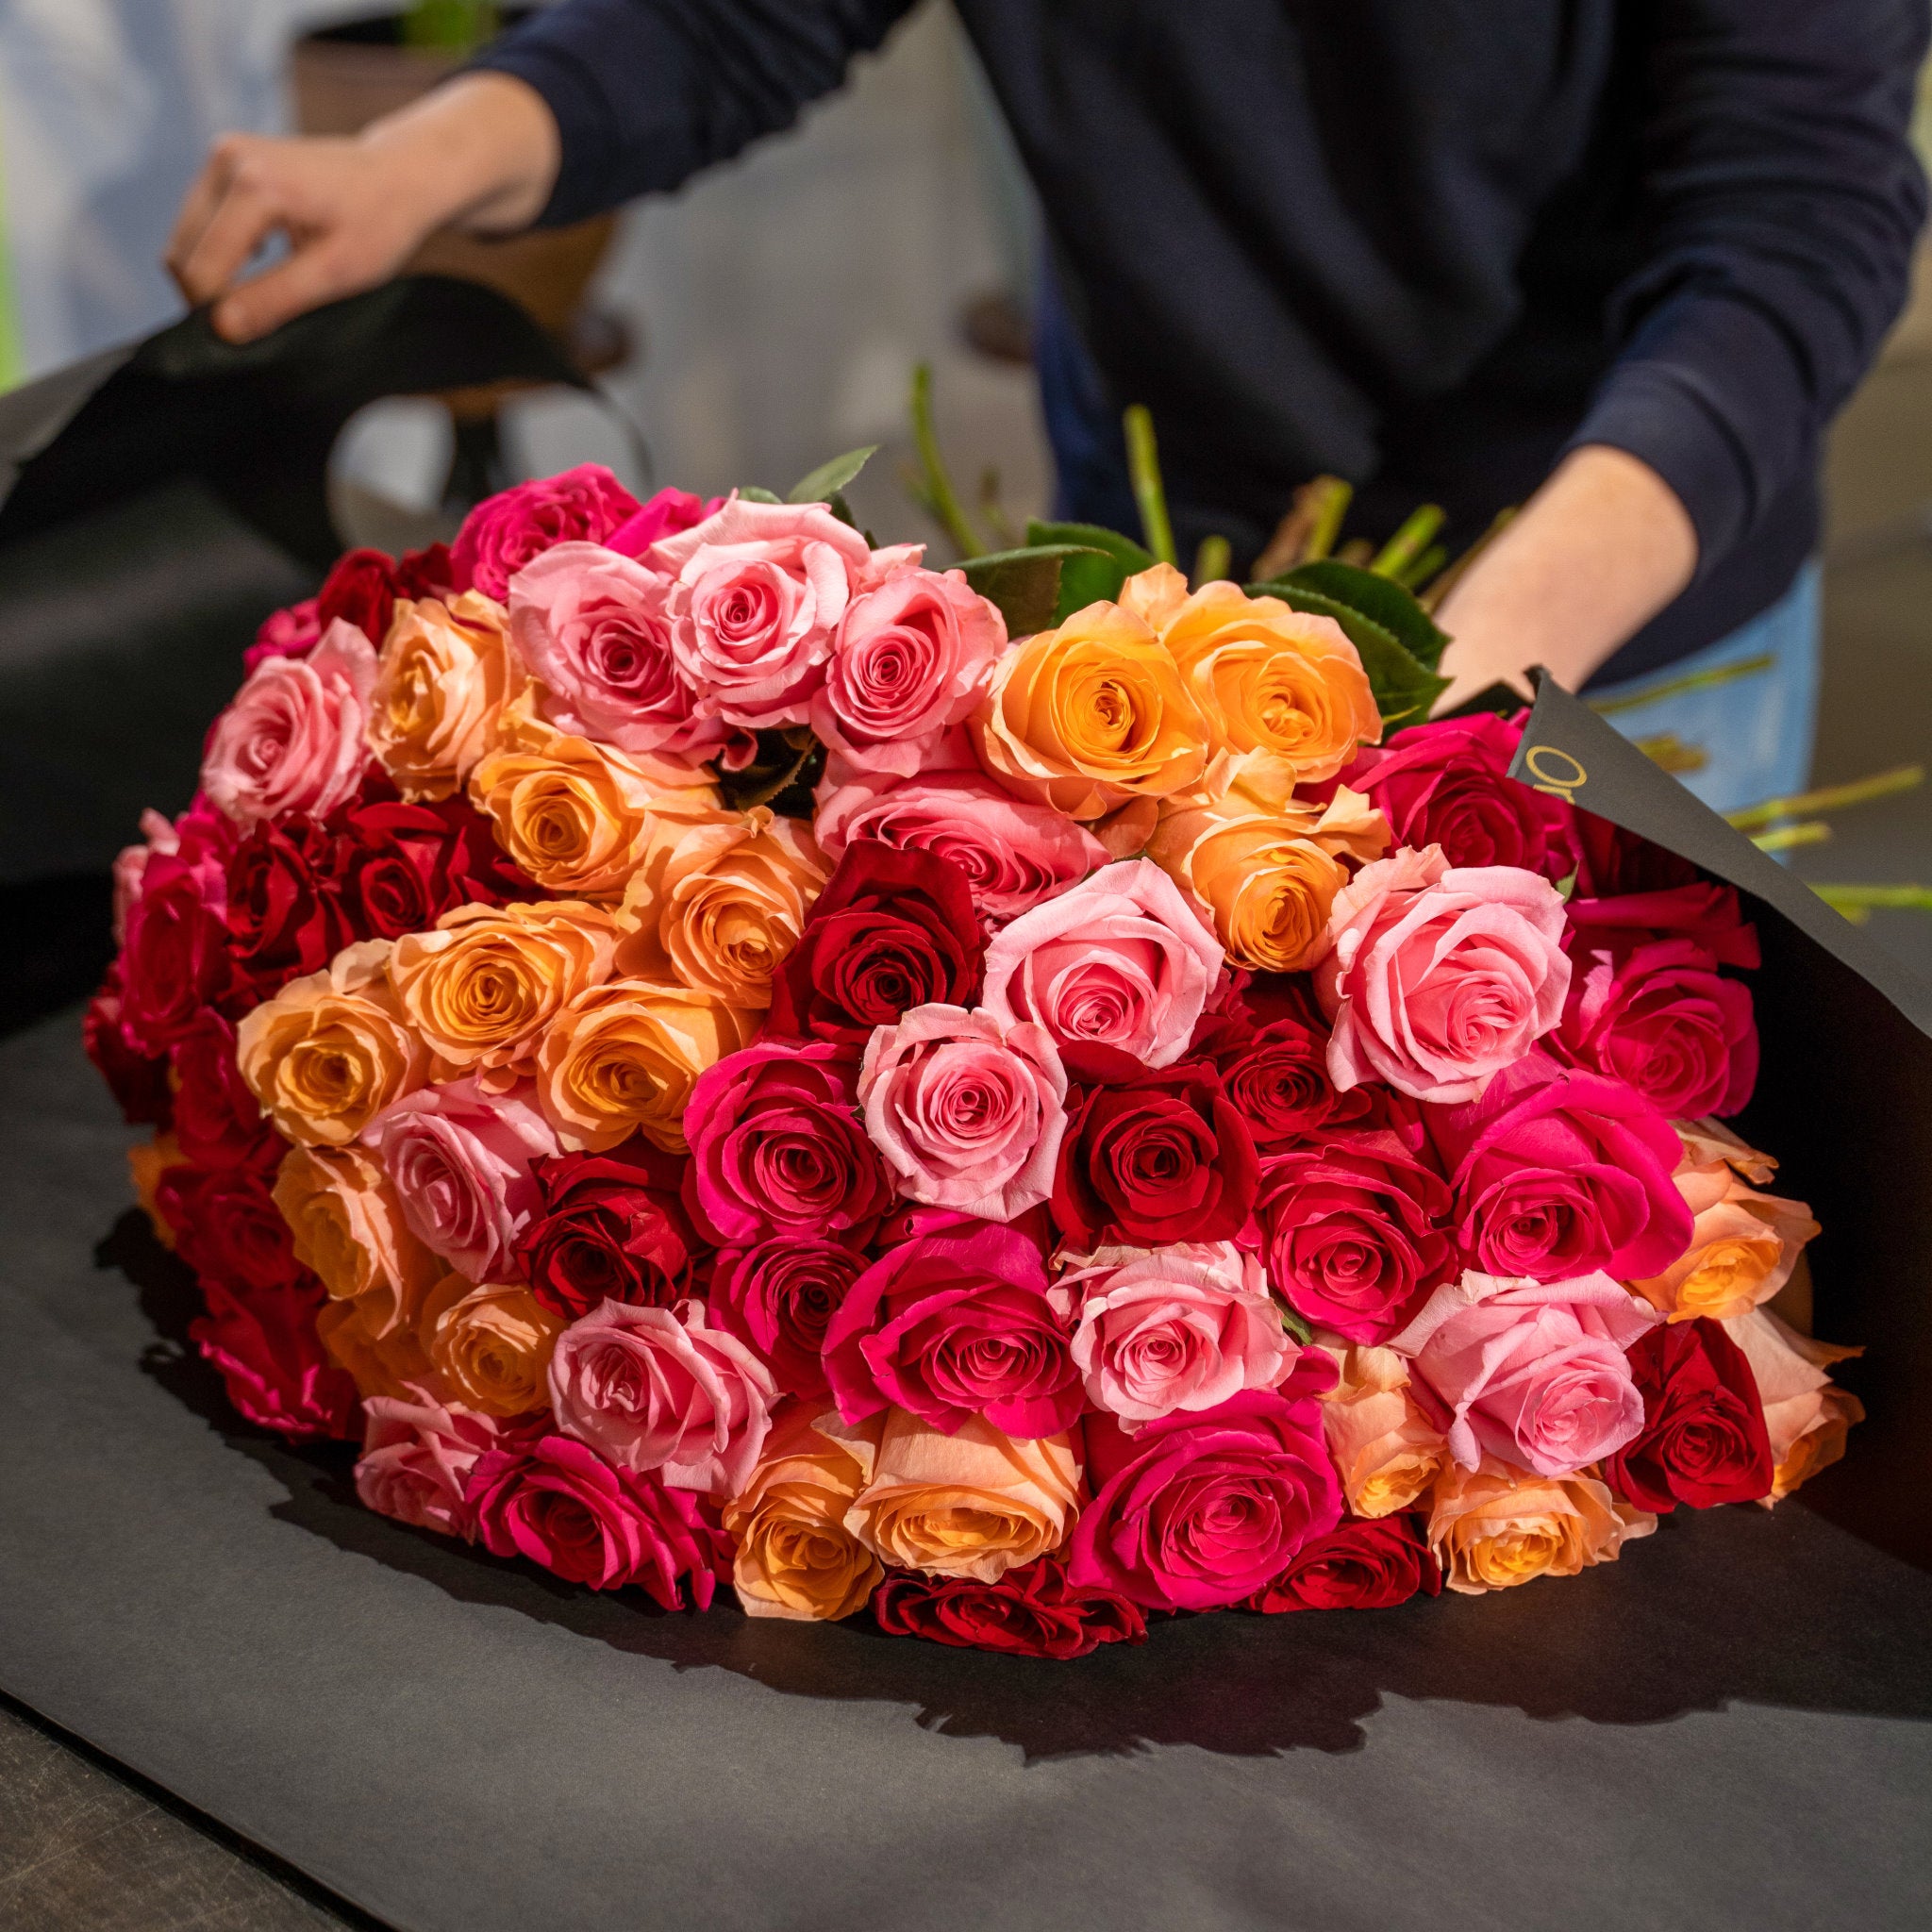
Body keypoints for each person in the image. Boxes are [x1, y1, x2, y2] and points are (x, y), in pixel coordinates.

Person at [165, 3, 1928, 810]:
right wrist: (413, 163)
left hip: (1600, 603)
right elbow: (732, 22)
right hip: (1177, 560)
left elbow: (1789, 227)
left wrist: (1462, 680)